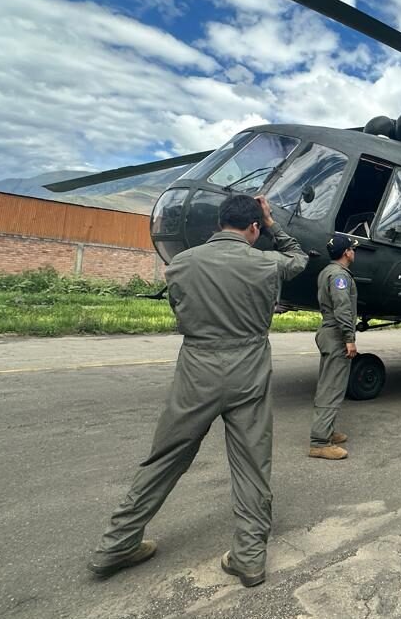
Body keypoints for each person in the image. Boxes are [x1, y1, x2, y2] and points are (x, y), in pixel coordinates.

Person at [88, 195, 307, 588]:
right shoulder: (266, 263)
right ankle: (249, 558)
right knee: (252, 464)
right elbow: (299, 258)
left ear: (219, 223)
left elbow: (181, 308)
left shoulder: (181, 264)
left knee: (165, 458)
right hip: (249, 368)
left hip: (197, 367)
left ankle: (115, 545)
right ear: (254, 227)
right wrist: (274, 223)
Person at [309, 233, 358, 460]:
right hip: (337, 334)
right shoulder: (340, 276)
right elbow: (342, 307)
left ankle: (326, 431)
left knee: (329, 384)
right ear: (347, 253)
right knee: (332, 388)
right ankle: (319, 442)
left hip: (328, 331)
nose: (354, 252)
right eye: (352, 249)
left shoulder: (327, 272)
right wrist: (349, 338)